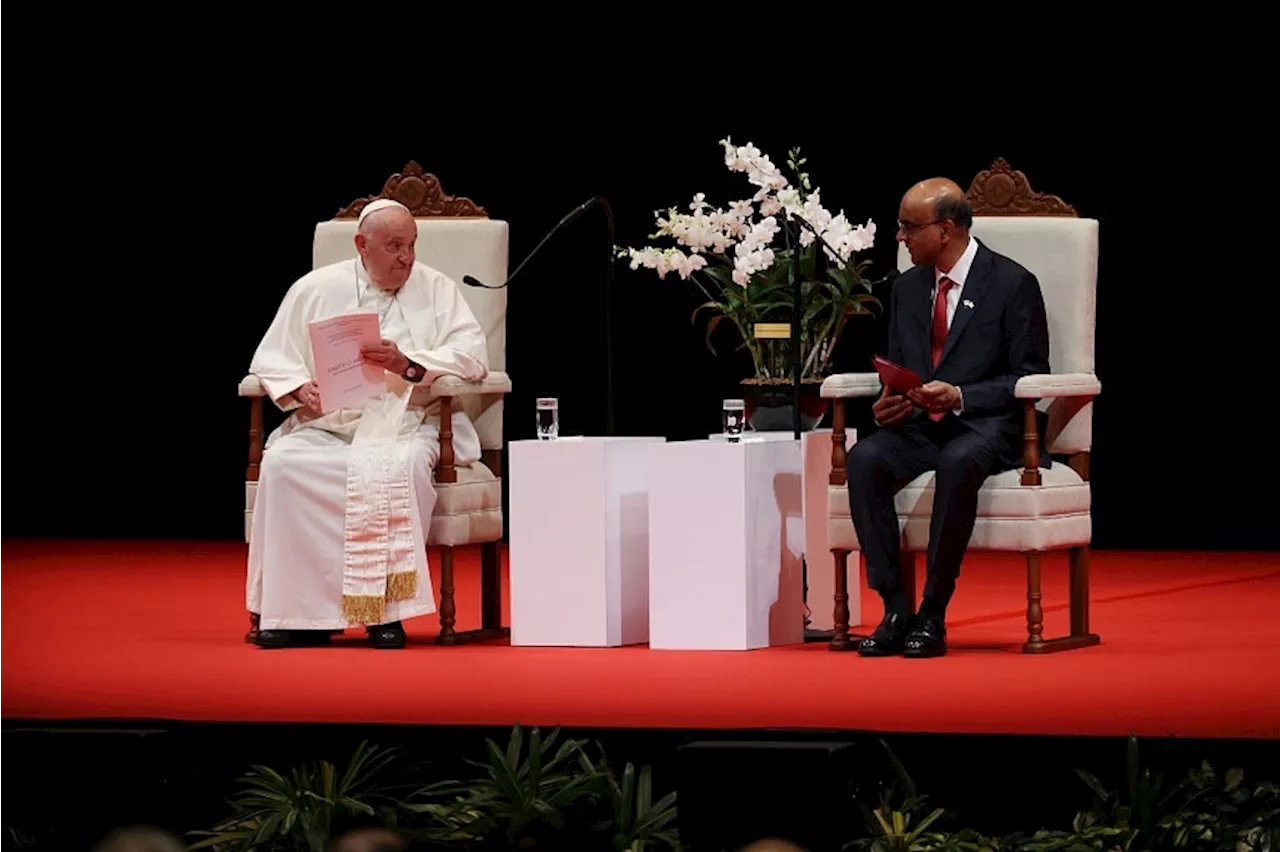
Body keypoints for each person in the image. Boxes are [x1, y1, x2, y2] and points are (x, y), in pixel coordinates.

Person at [247, 198, 489, 649]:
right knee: (282, 463)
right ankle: (300, 616)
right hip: (330, 424)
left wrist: (409, 363)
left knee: (401, 467)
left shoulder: (437, 289)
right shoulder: (314, 288)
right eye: (394, 246)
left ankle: (385, 616)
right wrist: (302, 389)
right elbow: (272, 359)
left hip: (408, 422)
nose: (407, 258)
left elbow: (473, 357)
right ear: (362, 245)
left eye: (412, 245)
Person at [846, 177, 1050, 658]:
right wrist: (889, 402)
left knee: (960, 460)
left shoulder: (1011, 283)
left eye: (908, 227)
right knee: (865, 458)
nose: (900, 237)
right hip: (920, 427)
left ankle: (933, 613)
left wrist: (959, 395)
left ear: (946, 229)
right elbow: (900, 368)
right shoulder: (908, 287)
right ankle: (896, 608)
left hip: (986, 427)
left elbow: (1029, 377)